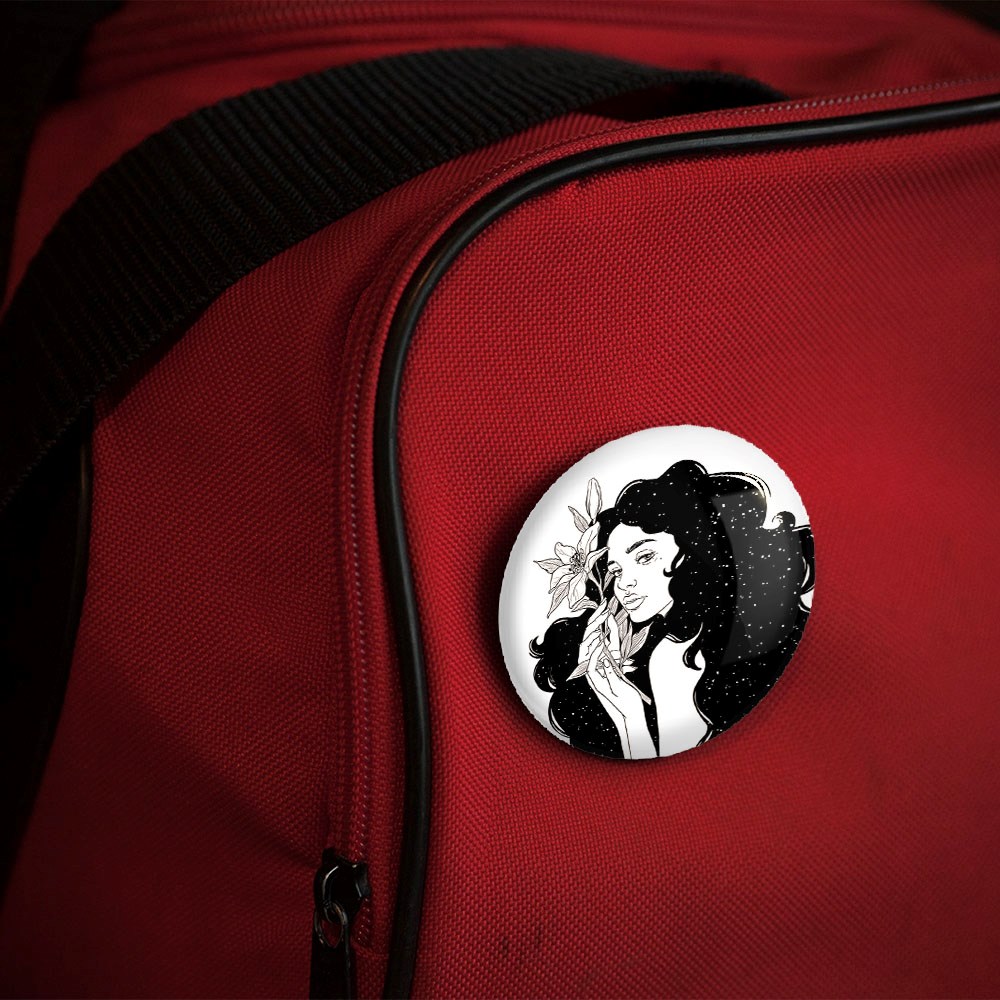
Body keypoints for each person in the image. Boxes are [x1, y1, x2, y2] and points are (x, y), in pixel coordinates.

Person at [530, 459, 815, 759]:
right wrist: (627, 712)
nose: (625, 583)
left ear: (694, 547)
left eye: (644, 557)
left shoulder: (744, 633)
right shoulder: (664, 653)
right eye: (616, 570)